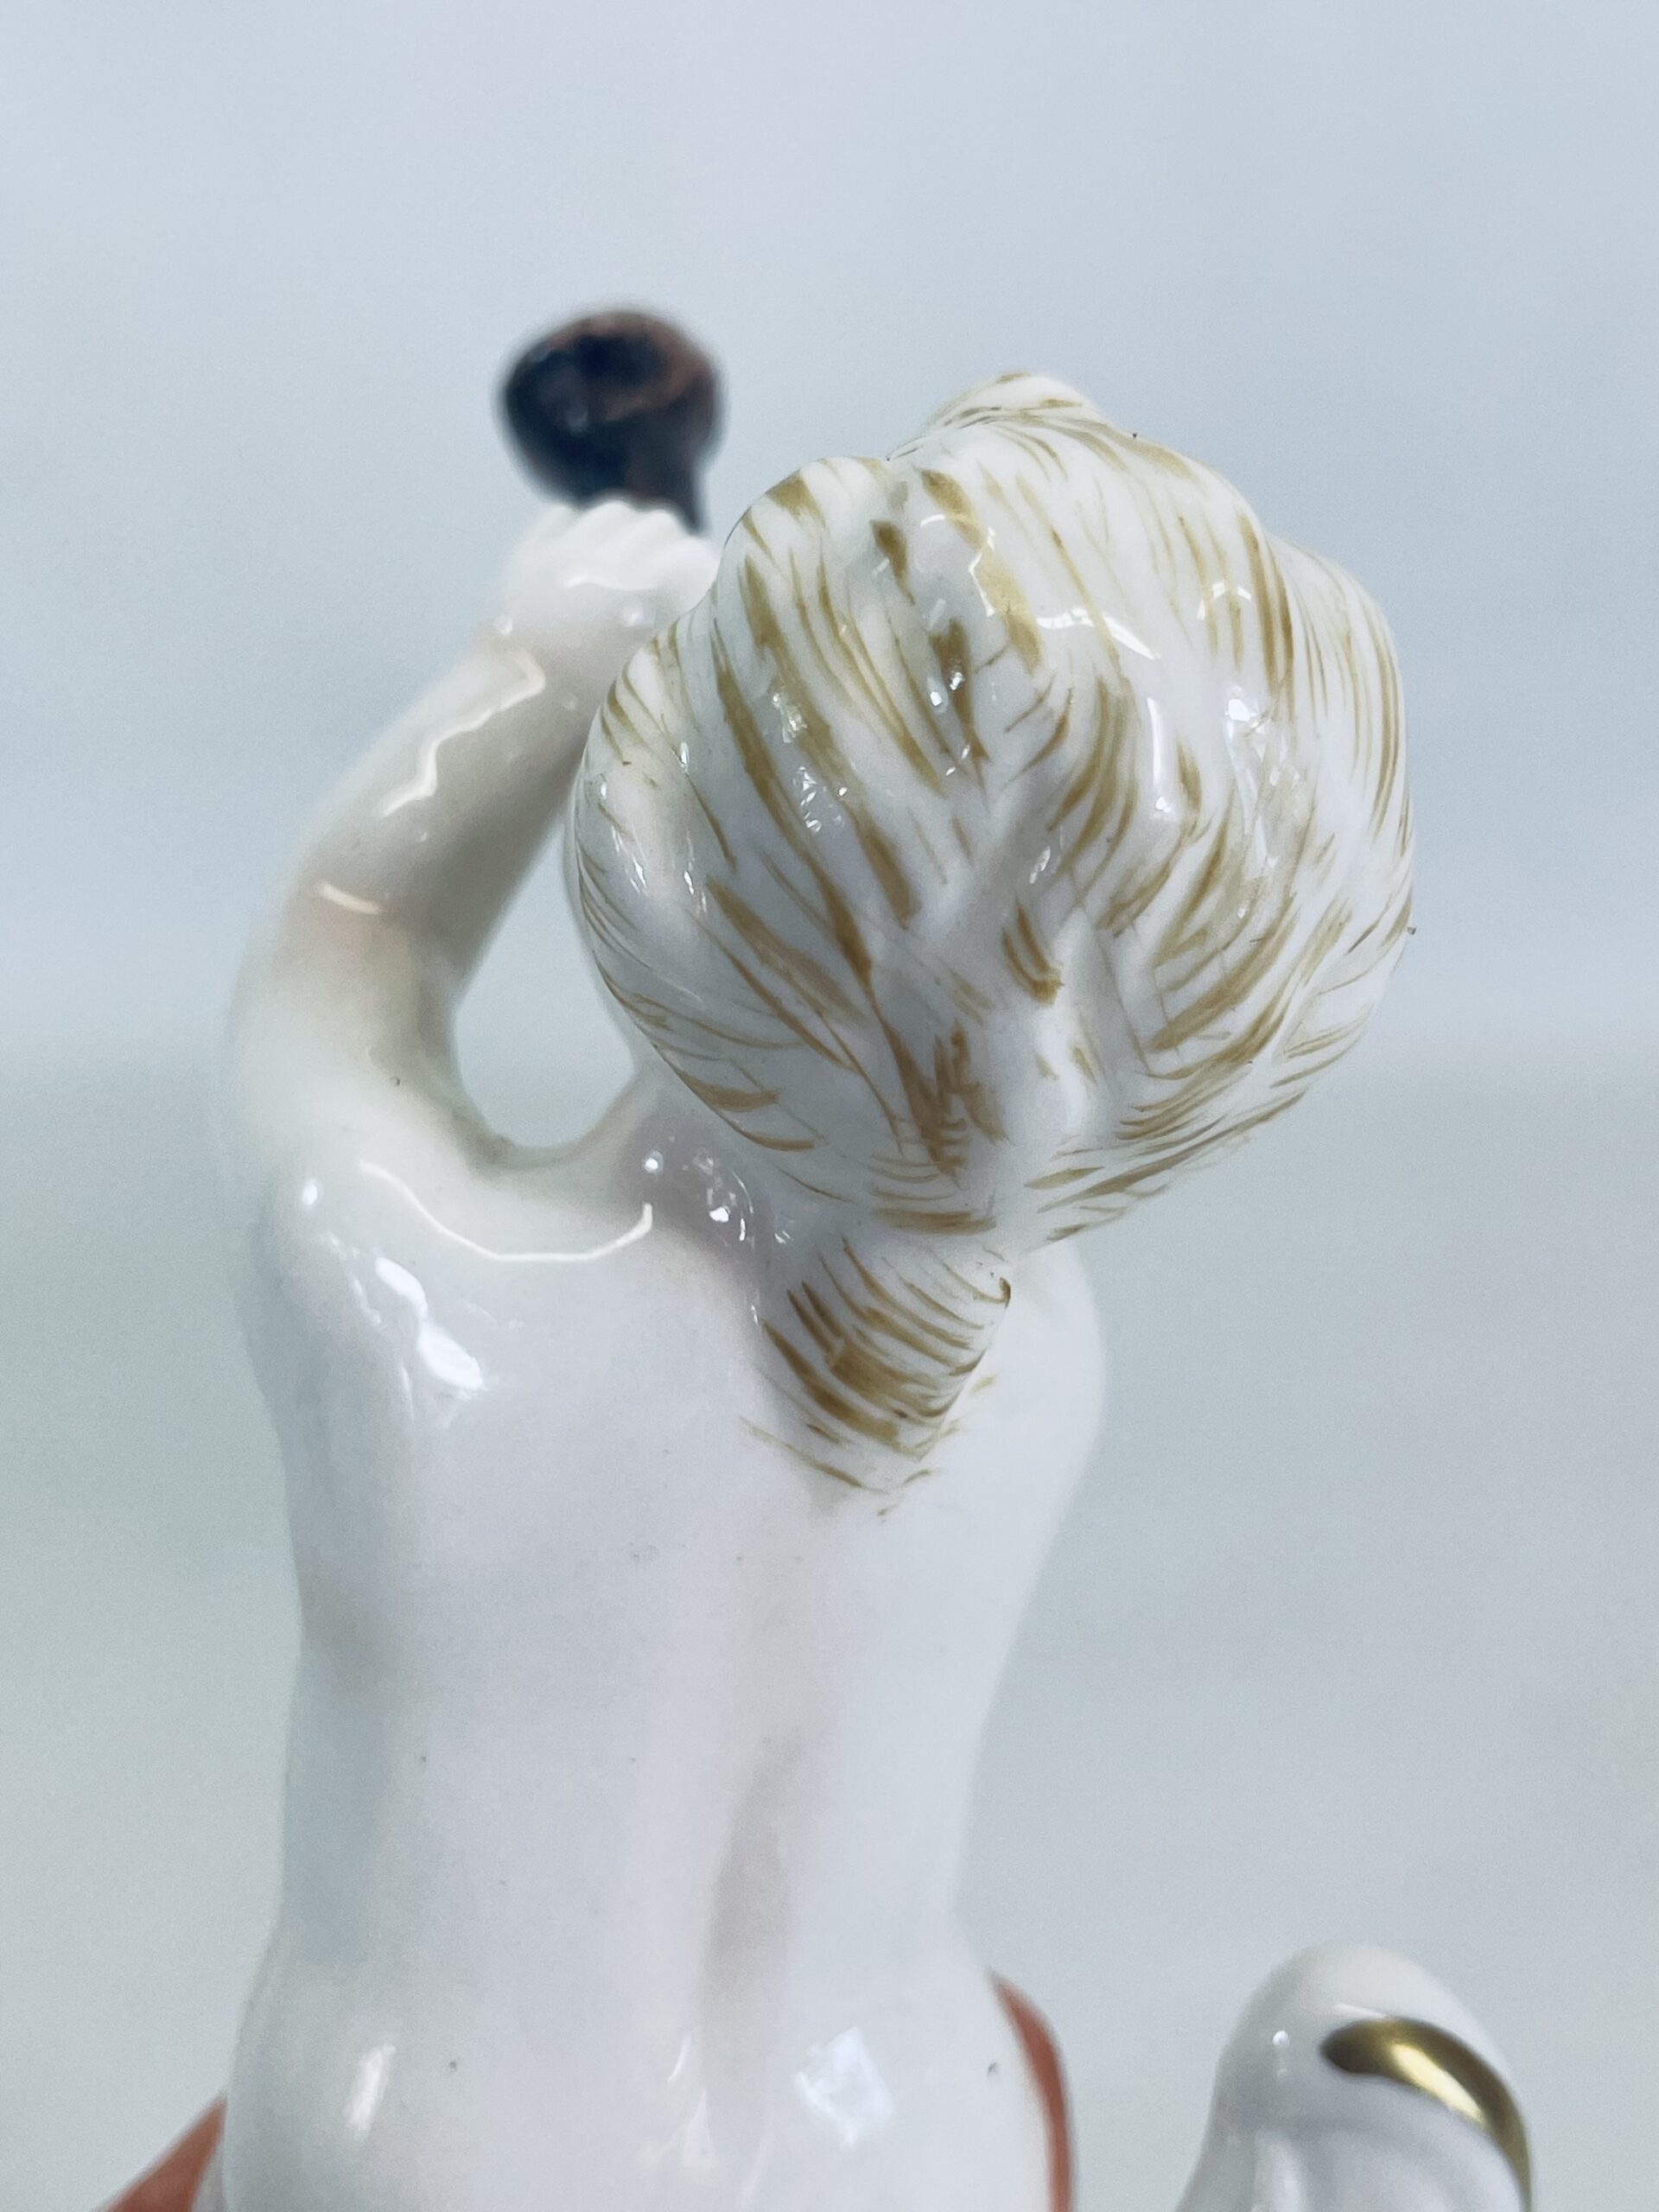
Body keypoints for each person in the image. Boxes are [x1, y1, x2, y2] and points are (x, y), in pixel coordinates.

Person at [188, 377, 1408, 2211]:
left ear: (662, 861)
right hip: (914, 2139)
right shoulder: (1039, 1374)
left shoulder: (429, 1324)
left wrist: (532, 675)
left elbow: (338, 973)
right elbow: (997, 1086)